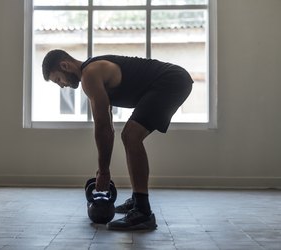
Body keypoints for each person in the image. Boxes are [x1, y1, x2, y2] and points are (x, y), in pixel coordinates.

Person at [42, 49, 193, 231]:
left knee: (131, 136)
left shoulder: (90, 74)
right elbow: (107, 126)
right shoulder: (93, 76)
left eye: (58, 79)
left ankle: (143, 212)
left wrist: (104, 172)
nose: (61, 85)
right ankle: (137, 200)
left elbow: (103, 127)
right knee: (130, 136)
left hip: (171, 80)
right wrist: (103, 170)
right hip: (173, 79)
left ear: (64, 66)